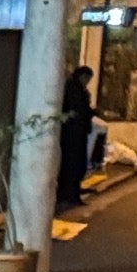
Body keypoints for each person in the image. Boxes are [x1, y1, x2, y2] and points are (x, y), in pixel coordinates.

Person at [57, 63, 98, 207]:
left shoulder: (77, 88)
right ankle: (70, 195)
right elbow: (79, 110)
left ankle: (71, 193)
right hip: (73, 133)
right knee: (72, 164)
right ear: (82, 76)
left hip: (77, 132)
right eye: (87, 78)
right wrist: (91, 112)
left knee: (76, 164)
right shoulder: (73, 88)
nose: (88, 82)